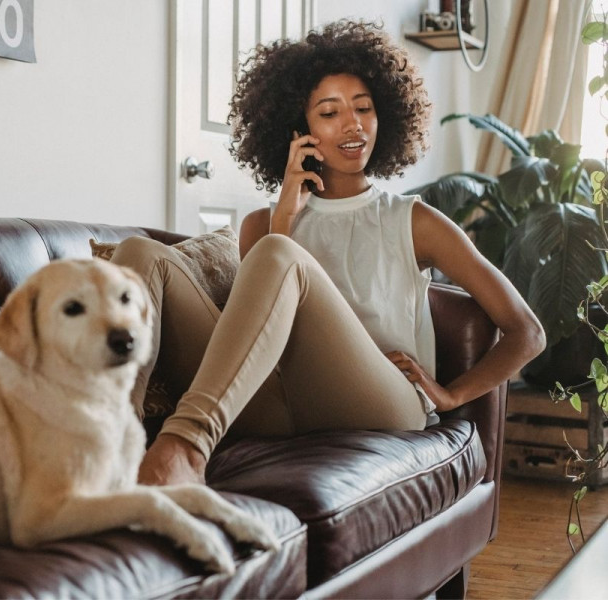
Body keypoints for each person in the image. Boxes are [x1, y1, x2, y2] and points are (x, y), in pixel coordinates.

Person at [111, 20, 546, 486]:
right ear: (300, 129)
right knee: (140, 255)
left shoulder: (413, 221)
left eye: (364, 107)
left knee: (280, 256)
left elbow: (527, 332)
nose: (353, 124)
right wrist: (284, 221)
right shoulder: (265, 225)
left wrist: (450, 395)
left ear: (386, 117)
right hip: (278, 403)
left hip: (380, 402)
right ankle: (115, 439)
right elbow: (253, 339)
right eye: (330, 112)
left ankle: (186, 447)